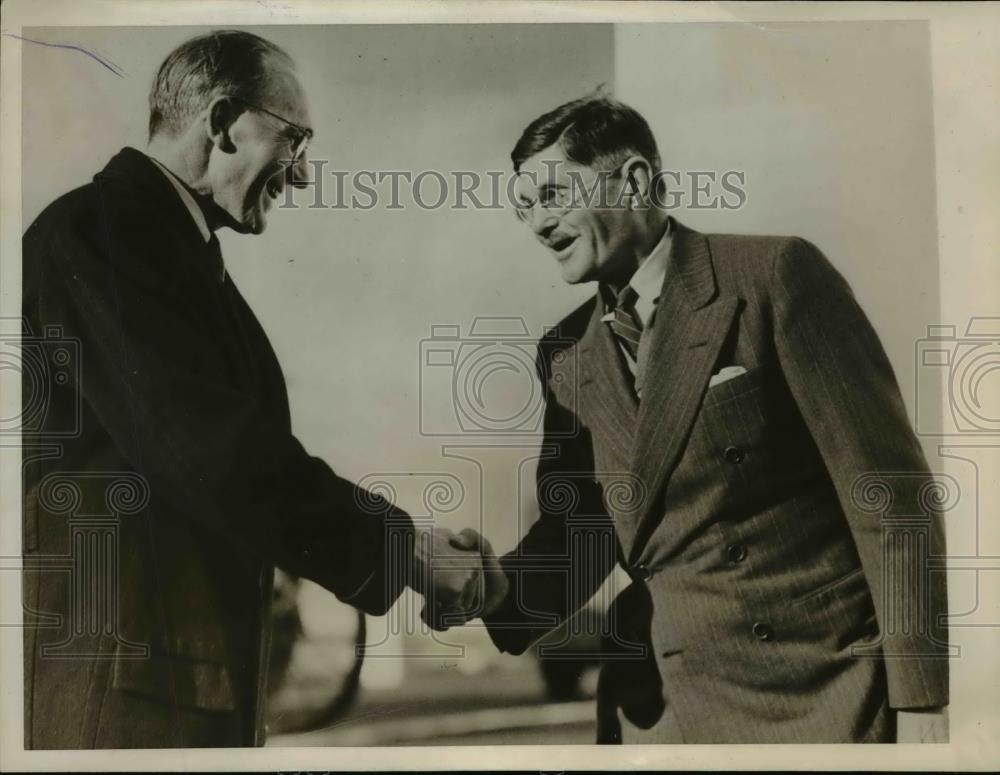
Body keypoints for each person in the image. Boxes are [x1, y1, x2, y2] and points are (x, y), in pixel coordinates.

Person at [21, 30, 484, 749]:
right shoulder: (101, 232)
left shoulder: (167, 250)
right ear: (223, 122)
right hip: (124, 698)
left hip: (171, 687)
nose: (303, 175)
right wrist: (405, 551)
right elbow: (210, 450)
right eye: (295, 140)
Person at [467, 94, 949, 743]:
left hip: (816, 698)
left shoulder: (773, 276)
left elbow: (889, 498)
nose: (538, 223)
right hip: (655, 712)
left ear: (634, 181)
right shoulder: (565, 353)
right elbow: (581, 532)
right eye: (524, 207)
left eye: (552, 195)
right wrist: (485, 585)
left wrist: (921, 700)